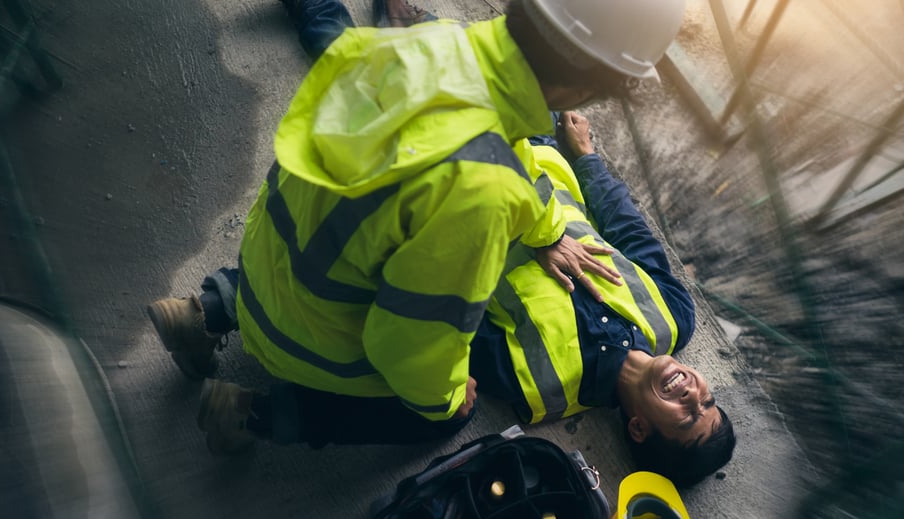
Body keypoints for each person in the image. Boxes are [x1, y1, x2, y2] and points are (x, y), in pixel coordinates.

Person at [146, 0, 694, 462]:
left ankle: (205, 310)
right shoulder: (482, 192)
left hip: (273, 258)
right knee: (444, 412)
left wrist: (547, 230)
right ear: (591, 84)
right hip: (301, 334)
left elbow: (511, 147)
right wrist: (447, 396)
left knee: (368, 231)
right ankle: (249, 415)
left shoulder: (437, 44)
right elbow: (407, 345)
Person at [473, 110, 736, 488]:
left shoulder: (533, 389)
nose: (695, 395)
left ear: (639, 428)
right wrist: (585, 157)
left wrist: (534, 237)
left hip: (465, 178)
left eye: (687, 416)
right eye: (708, 402)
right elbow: (627, 227)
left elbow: (450, 290)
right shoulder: (676, 317)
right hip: (542, 151)